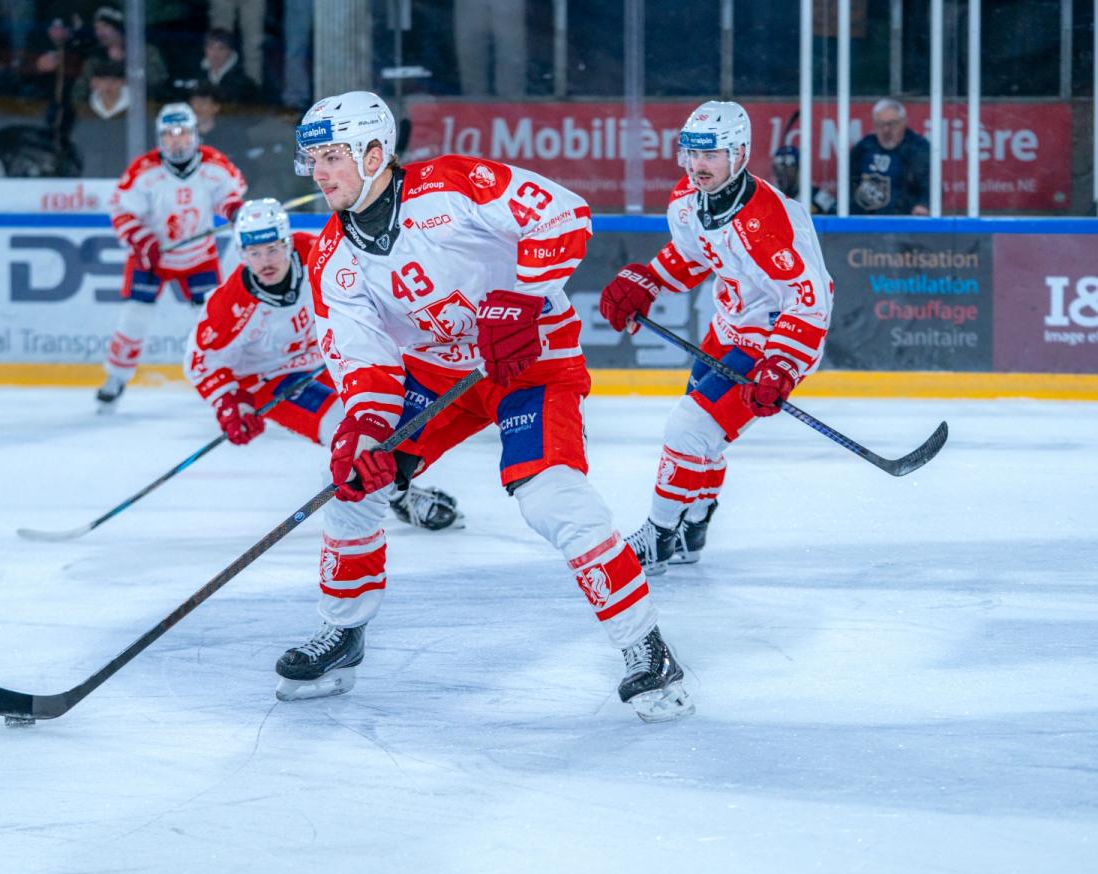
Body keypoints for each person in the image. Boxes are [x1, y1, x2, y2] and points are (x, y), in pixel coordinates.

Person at [275, 90, 692, 723]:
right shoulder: (331, 257)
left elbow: (562, 214)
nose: (320, 172)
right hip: (439, 377)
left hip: (531, 365)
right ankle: (343, 633)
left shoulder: (449, 184)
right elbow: (363, 361)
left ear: (375, 150)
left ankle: (646, 648)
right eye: (314, 159)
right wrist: (362, 429)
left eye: (332, 156)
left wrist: (521, 299)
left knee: (552, 500)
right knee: (354, 489)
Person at [598, 101, 834, 574]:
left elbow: (810, 301)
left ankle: (658, 539)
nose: (697, 165)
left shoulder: (772, 222)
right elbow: (693, 256)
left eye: (711, 155)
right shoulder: (687, 199)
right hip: (727, 327)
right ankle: (694, 525)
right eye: (692, 152)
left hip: (775, 341)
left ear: (740, 154)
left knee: (688, 430)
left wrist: (782, 363)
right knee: (701, 440)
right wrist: (648, 281)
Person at [184, 198, 464, 531]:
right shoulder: (229, 305)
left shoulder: (315, 252)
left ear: (287, 241)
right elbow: (199, 361)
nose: (265, 262)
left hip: (325, 358)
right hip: (271, 380)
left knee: (386, 412)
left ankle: (400, 479)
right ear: (242, 253)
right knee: (343, 429)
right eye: (254, 253)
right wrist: (228, 401)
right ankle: (401, 497)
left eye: (273, 249)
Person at [96, 102, 247, 413]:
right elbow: (121, 211)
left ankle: (229, 381)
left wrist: (232, 210)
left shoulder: (214, 165)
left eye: (182, 134)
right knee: (134, 318)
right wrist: (143, 241)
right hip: (152, 259)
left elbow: (229, 197)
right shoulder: (144, 171)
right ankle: (116, 378)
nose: (176, 141)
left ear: (194, 135)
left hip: (197, 258)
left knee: (212, 322)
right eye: (169, 135)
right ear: (159, 139)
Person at [848, 98, 931, 215]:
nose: (886, 130)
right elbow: (848, 181)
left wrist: (924, 205)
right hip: (867, 222)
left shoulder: (918, 148)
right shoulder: (865, 147)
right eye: (880, 124)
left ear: (904, 122)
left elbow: (931, 184)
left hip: (905, 223)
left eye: (891, 124)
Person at [770, 145, 836, 215]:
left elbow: (838, 219)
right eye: (778, 168)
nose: (783, 173)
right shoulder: (770, 197)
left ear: (799, 169)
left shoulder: (817, 196)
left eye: (789, 168)